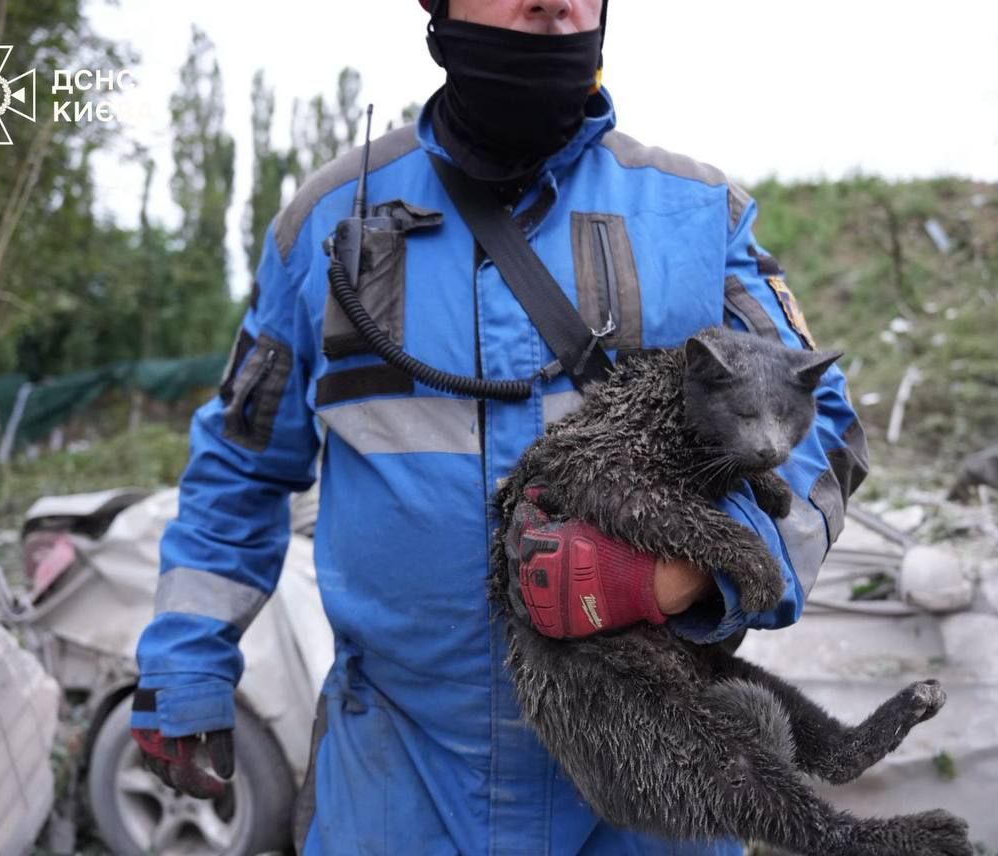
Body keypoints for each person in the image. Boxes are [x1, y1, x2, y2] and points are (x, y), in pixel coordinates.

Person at [131, 0, 869, 853]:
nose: (553, 1)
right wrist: (186, 661)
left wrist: (694, 576)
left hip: (649, 783)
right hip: (396, 783)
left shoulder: (698, 216)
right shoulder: (328, 222)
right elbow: (240, 465)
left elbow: (826, 431)